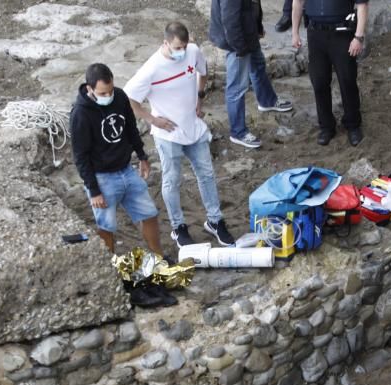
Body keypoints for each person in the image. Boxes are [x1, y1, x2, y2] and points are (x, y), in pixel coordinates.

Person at [125, 22, 234, 248]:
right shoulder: (151, 69)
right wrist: (153, 120)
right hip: (168, 134)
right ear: (165, 43)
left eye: (184, 46)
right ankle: (178, 227)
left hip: (193, 127)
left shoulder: (192, 52)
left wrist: (199, 99)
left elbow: (202, 74)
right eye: (177, 47)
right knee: (172, 180)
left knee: (206, 173)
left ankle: (215, 221)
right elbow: (130, 98)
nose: (181, 51)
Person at [70, 63, 164, 257]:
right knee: (106, 226)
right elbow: (80, 156)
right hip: (101, 177)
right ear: (90, 89)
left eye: (110, 91)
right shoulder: (80, 113)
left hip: (126, 170)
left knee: (150, 214)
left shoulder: (119, 97)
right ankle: (111, 266)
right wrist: (94, 190)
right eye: (103, 93)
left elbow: (131, 129)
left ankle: (158, 256)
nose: (108, 96)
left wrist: (142, 156)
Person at [209, 0, 293, 150]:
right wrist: (240, 48)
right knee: (237, 87)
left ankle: (267, 100)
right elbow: (230, 19)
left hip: (247, 35)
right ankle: (238, 132)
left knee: (258, 66)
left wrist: (257, 27)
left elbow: (253, 4)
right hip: (237, 42)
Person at [291, 0, 368, 146]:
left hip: (342, 33)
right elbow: (297, 2)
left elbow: (362, 5)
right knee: (319, 81)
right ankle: (326, 126)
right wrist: (294, 32)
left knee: (347, 79)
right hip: (315, 34)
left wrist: (358, 37)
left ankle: (353, 125)